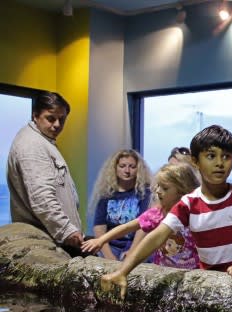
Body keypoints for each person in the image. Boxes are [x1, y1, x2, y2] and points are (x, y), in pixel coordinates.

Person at [101, 125, 232, 298]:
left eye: (226, 157)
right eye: (211, 156)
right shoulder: (188, 203)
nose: (219, 163)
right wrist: (123, 271)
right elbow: (157, 235)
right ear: (195, 161)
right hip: (211, 284)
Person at [7, 91, 85, 256]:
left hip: (53, 241)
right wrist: (66, 230)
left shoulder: (42, 141)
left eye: (62, 119)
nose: (57, 124)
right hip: (47, 245)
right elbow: (42, 197)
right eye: (50, 118)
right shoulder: (32, 145)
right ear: (35, 116)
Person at [82, 163, 200, 269]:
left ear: (182, 190)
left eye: (165, 188)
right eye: (158, 186)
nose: (158, 191)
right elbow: (127, 227)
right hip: (163, 270)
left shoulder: (195, 214)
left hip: (191, 271)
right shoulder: (157, 214)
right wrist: (101, 240)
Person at [89, 149, 153, 261]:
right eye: (122, 166)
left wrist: (133, 252)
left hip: (137, 245)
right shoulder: (106, 194)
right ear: (115, 168)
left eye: (132, 167)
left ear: (138, 169)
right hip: (110, 246)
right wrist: (109, 257)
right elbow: (99, 228)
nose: (127, 170)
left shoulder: (145, 194)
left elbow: (143, 226)